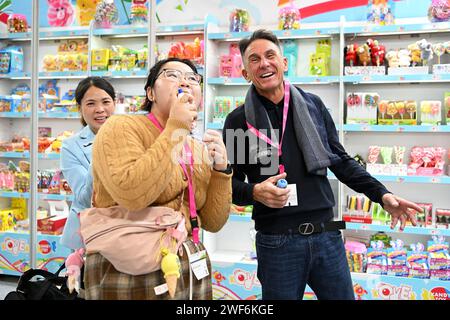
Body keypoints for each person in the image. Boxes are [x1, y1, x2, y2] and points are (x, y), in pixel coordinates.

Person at [222, 29, 423, 300]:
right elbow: (227, 185)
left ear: (284, 63)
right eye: (254, 59)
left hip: (326, 235)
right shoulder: (237, 122)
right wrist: (254, 192)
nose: (264, 63)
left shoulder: (312, 105)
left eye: (270, 55)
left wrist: (381, 195)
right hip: (277, 241)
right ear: (245, 73)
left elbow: (339, 160)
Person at [84, 57, 232, 300]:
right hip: (128, 266)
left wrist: (221, 171)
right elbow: (132, 194)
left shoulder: (194, 147)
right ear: (151, 92)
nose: (184, 81)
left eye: (193, 79)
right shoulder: (121, 127)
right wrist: (175, 127)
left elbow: (213, 222)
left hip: (186, 263)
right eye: (172, 75)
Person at [60, 77, 116, 251]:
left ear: (114, 103)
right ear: (80, 108)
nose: (100, 109)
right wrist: (101, 151)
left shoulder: (130, 137)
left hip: (125, 230)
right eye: (91, 103)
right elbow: (84, 198)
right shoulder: (70, 146)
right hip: (88, 236)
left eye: (106, 101)